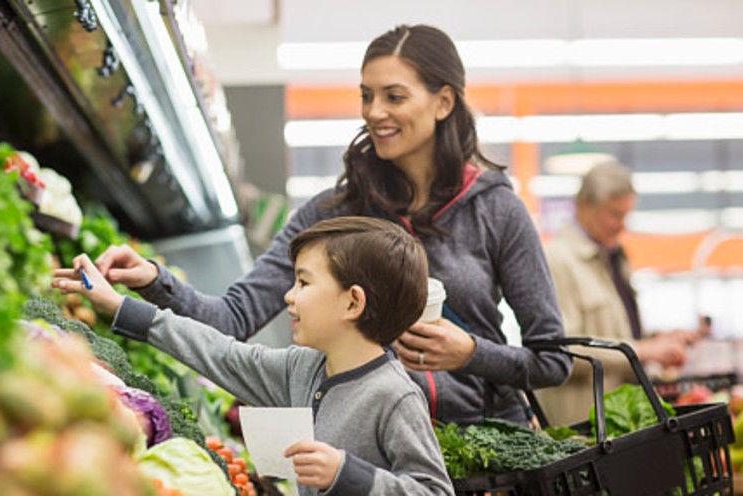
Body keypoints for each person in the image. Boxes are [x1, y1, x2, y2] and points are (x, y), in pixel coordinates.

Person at [88, 24, 571, 426]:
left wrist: (470, 353)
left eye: (394, 96)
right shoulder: (332, 212)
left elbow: (553, 360)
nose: (374, 112)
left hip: (486, 453)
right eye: (367, 96)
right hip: (366, 449)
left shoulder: (497, 210)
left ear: (443, 102)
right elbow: (233, 319)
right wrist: (157, 281)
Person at [54, 216, 456, 496]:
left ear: (352, 303)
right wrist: (119, 304)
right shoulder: (304, 368)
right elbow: (221, 354)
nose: (289, 296)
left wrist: (347, 474)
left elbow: (434, 490)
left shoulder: (393, 396)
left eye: (303, 282)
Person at [534, 160, 695, 426]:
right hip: (580, 429)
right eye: (614, 215)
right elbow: (563, 352)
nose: (621, 226)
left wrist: (658, 341)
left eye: (626, 215)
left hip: (615, 422)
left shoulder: (614, 258)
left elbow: (616, 334)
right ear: (584, 205)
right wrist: (643, 350)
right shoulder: (558, 261)